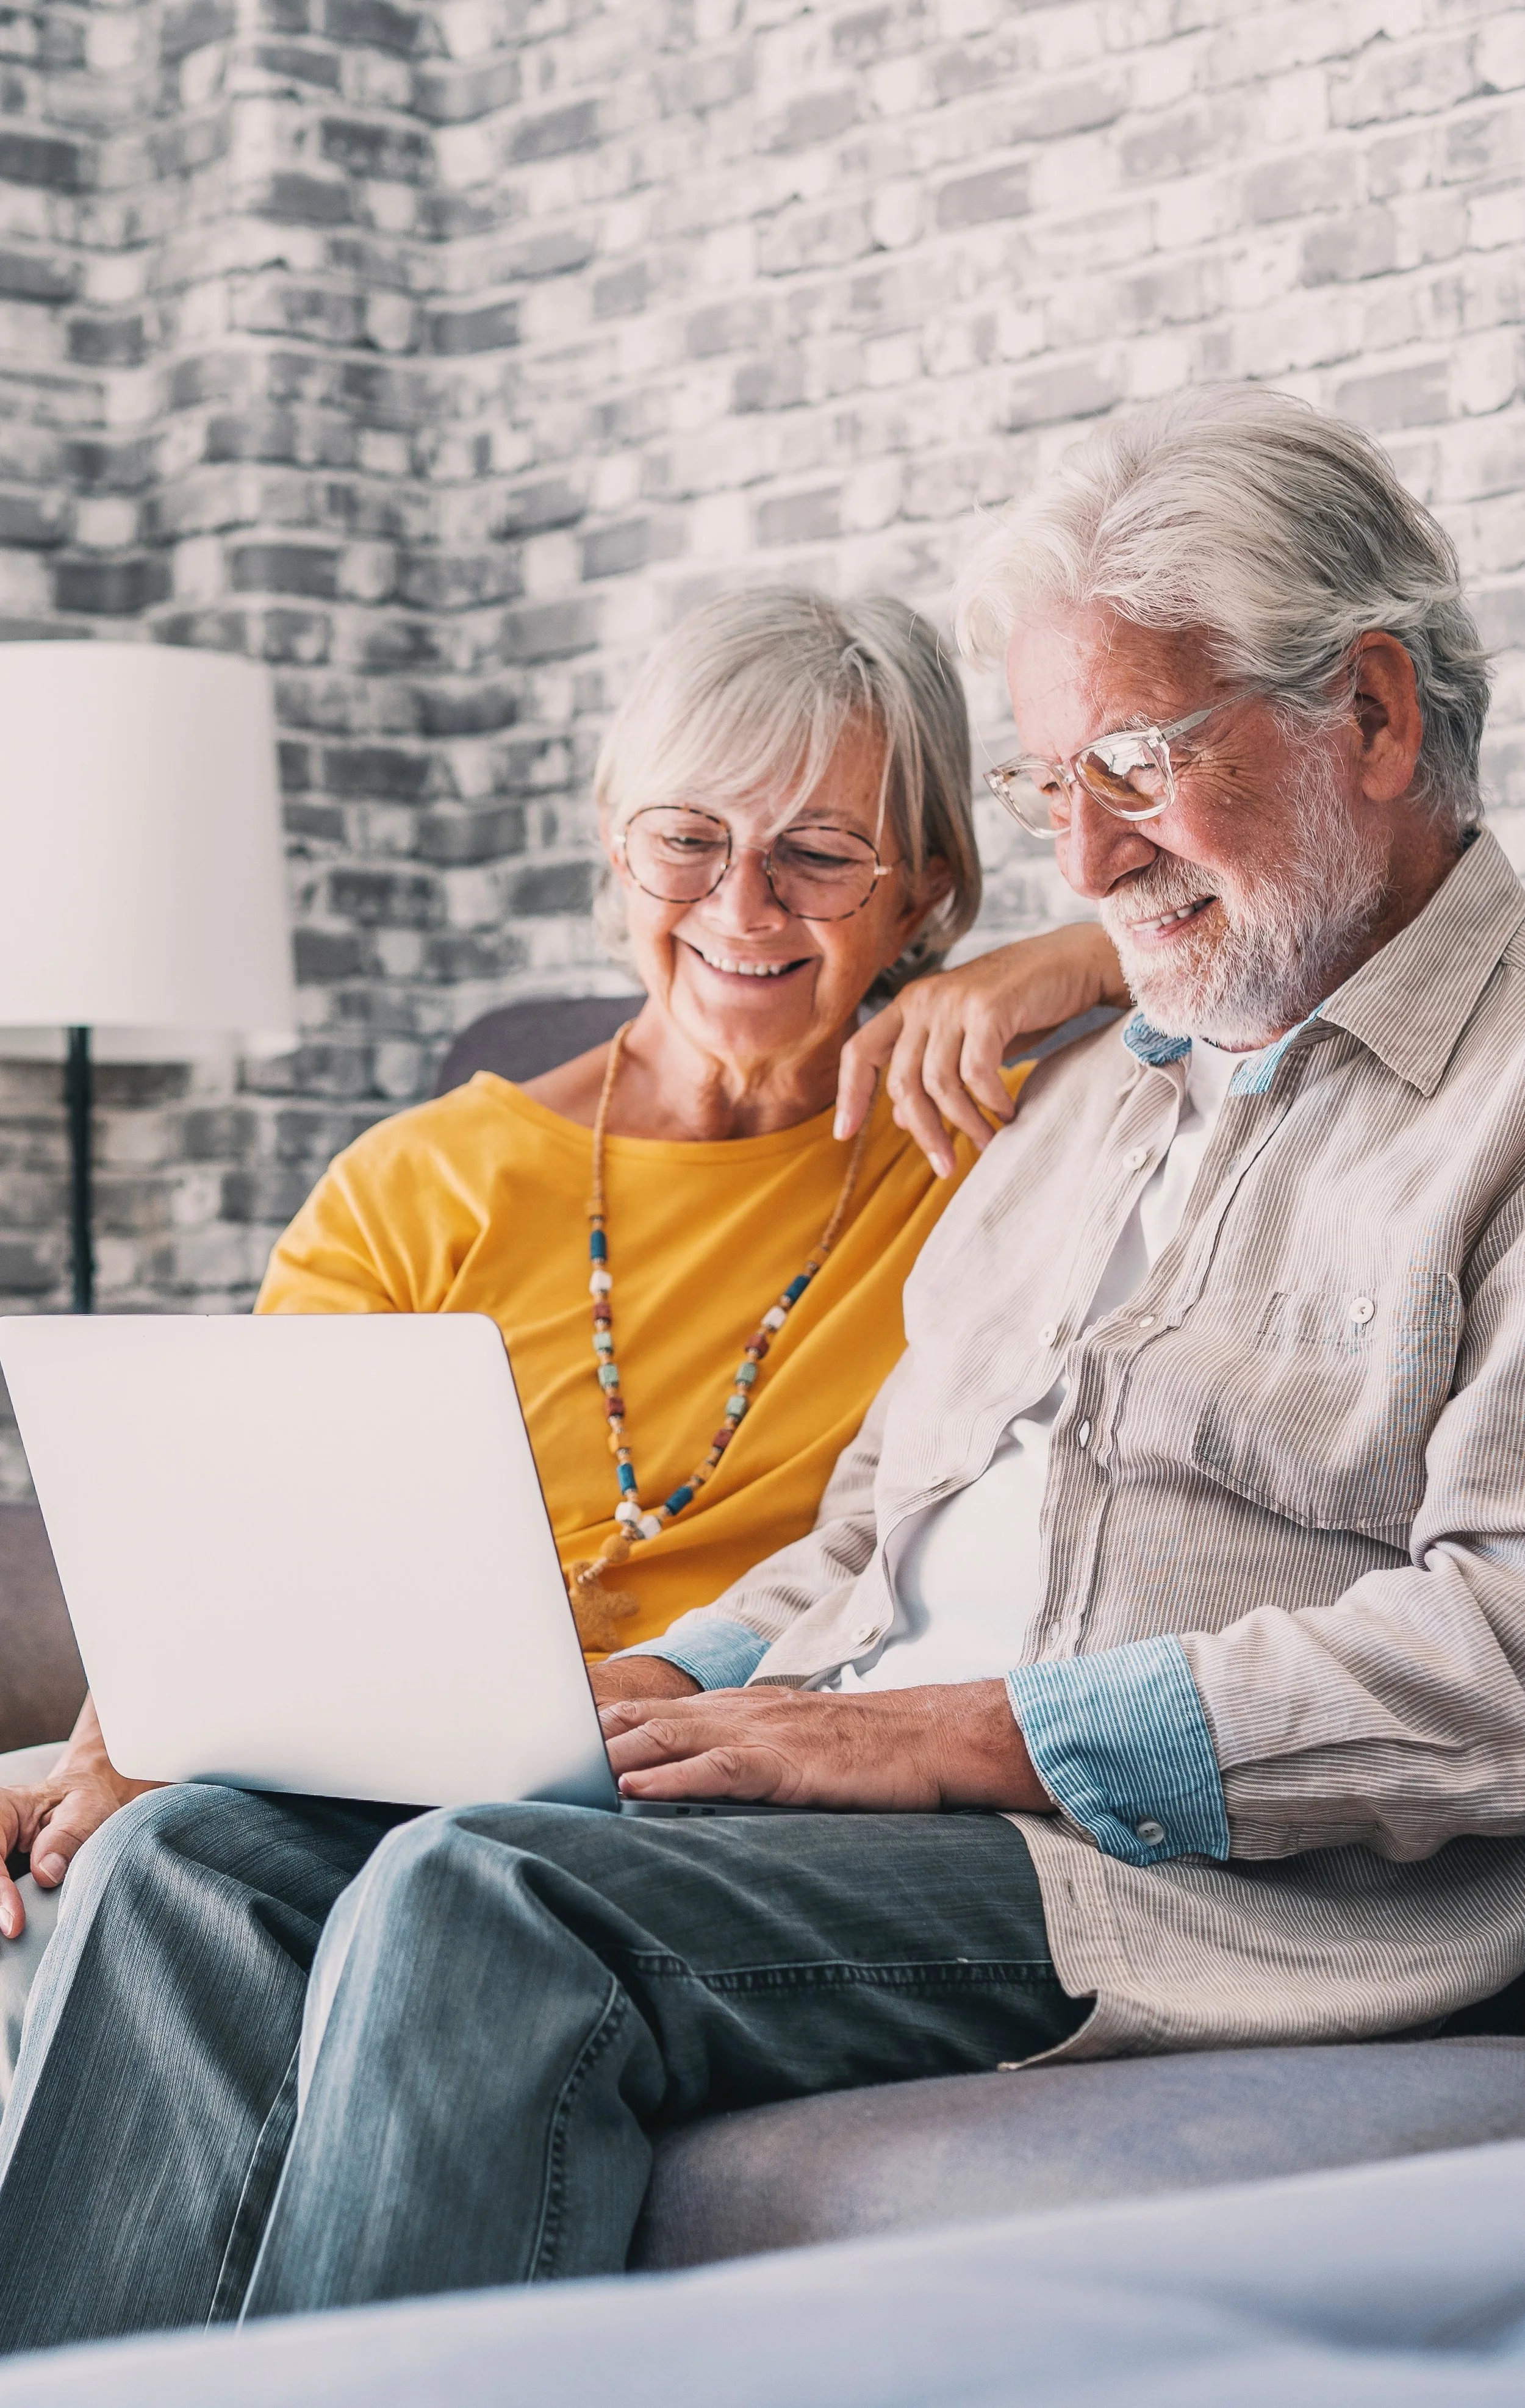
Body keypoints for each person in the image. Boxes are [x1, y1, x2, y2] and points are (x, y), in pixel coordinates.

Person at [6, 383, 1524, 2356]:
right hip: (879, 1789)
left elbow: (1499, 1649)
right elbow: (874, 1539)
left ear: (1377, 718)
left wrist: (973, 1728)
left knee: (490, 1899)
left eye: (1132, 766)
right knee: (204, 1853)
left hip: (1185, 1871)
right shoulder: (1090, 1112)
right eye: (1053, 783)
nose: (1084, 854)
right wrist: (658, 1684)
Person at [0, 588, 1123, 1973]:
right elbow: (236, 1560)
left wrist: (1076, 953)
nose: (741, 905)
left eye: (820, 854)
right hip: (375, 1759)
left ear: (928, 890)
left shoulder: (996, 1143)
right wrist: (108, 1757)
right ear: (614, 841)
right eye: (686, 840)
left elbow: (1297, 936)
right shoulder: (424, 1180)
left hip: (723, 1763)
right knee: (98, 1859)